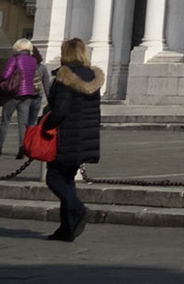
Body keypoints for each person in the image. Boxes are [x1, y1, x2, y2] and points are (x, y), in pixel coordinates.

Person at [41, 37, 104, 242]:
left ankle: (78, 209)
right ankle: (66, 229)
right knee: (67, 180)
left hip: (66, 137)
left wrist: (46, 125)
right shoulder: (92, 77)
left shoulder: (66, 76)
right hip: (84, 137)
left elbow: (60, 110)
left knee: (54, 178)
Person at [0, 39, 41, 159]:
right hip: (27, 93)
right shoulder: (33, 60)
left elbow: (5, 76)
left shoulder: (14, 59)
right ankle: (22, 149)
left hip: (13, 93)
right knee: (23, 123)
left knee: (5, 120)